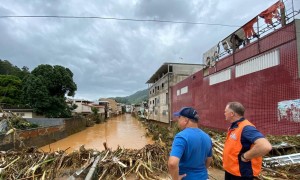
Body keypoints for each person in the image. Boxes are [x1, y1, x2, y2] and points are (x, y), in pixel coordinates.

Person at [223, 102, 272, 180]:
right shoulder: (235, 126)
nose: (224, 113)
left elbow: (265, 146)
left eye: (225, 111)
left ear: (232, 113)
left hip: (241, 174)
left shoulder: (246, 128)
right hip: (231, 171)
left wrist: (245, 157)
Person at [168, 107, 213, 180]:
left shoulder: (181, 137)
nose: (178, 120)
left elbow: (172, 163)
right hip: (203, 177)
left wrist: (175, 178)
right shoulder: (207, 137)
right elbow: (208, 160)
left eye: (179, 117)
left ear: (186, 120)